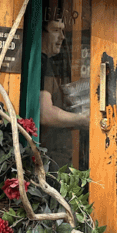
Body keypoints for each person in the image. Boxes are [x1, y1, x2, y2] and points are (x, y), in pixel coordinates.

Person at [40, 18, 88, 169]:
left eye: (62, 30)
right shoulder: (41, 63)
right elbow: (45, 114)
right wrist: (84, 120)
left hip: (54, 156)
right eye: (55, 30)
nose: (62, 36)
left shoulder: (46, 62)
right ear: (41, 33)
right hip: (48, 158)